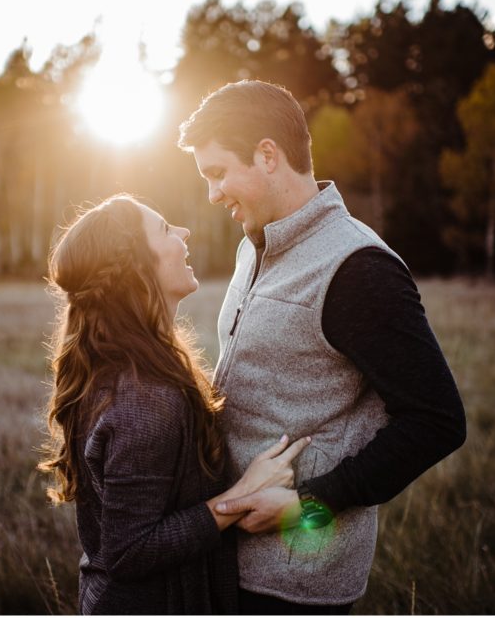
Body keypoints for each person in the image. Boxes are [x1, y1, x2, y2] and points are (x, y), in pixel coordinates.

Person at [177, 80, 468, 614]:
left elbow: (437, 421)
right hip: (228, 559)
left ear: (268, 155)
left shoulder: (359, 269)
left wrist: (302, 508)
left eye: (218, 173)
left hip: (294, 584)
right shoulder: (255, 245)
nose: (213, 194)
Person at [39, 194, 311, 614]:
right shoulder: (144, 401)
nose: (184, 233)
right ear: (137, 268)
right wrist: (241, 496)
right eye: (166, 229)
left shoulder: (125, 368)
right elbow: (129, 551)